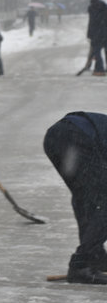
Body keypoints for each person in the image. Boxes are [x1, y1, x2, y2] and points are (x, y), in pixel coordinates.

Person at [43, 111, 107, 284]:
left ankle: (95, 257)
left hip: (56, 136)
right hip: (76, 137)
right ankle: (82, 264)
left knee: (86, 196)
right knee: (101, 200)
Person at [86, 0, 107, 77]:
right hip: (106, 33)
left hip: (97, 35)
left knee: (96, 52)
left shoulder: (92, 9)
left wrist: (89, 35)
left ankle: (99, 69)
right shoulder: (105, 8)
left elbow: (91, 24)